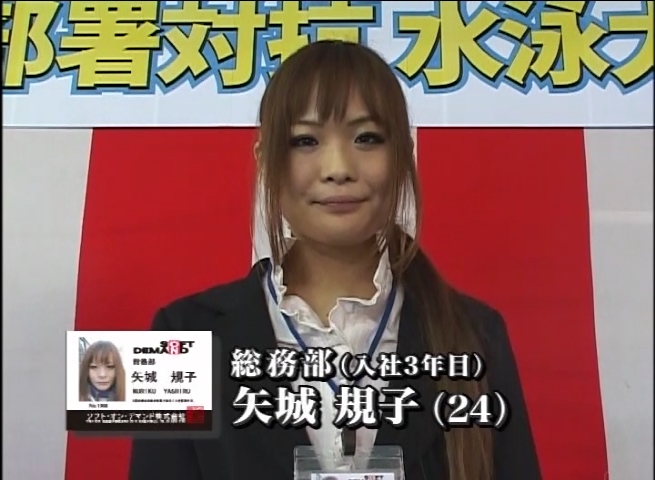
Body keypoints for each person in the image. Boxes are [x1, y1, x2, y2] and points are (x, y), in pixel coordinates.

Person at [129, 40, 541, 480]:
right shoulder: (178, 333)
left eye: (366, 138)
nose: (338, 167)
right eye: (305, 141)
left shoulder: (478, 333)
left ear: (403, 156)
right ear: (265, 160)